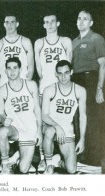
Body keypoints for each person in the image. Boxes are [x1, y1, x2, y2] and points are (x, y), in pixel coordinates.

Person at [34, 13, 72, 172]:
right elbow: (39, 70)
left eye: (52, 21)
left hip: (62, 89)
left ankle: (62, 156)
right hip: (45, 88)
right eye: (46, 22)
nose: (49, 24)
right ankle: (44, 159)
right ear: (43, 25)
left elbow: (68, 65)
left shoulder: (65, 41)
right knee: (43, 124)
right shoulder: (39, 43)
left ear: (58, 23)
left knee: (64, 120)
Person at [72, 10, 105, 170]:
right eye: (79, 18)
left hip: (91, 80)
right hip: (76, 80)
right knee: (78, 118)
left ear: (91, 23)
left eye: (85, 19)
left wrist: (99, 88)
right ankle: (82, 157)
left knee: (93, 120)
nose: (81, 21)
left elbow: (103, 65)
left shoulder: (96, 38)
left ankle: (95, 161)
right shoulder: (74, 41)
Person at [0, 57, 42, 174]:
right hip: (15, 128)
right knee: (2, 132)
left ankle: (17, 156)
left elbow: (37, 109)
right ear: (5, 71)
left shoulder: (31, 85)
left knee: (23, 169)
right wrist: (3, 120)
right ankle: (5, 164)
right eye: (9, 68)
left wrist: (39, 130)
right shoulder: (2, 90)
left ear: (20, 69)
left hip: (30, 129)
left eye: (15, 68)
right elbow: (0, 114)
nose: (12, 71)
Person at [42, 60, 86, 174]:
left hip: (66, 128)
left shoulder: (80, 90)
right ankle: (49, 164)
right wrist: (57, 126)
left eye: (66, 73)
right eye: (60, 73)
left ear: (71, 72)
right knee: (50, 131)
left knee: (71, 169)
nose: (63, 76)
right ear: (56, 74)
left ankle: (58, 162)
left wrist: (82, 139)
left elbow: (83, 117)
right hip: (50, 125)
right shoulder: (49, 90)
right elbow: (44, 116)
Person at [0, 14, 34, 87]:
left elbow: (31, 68)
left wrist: (26, 84)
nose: (9, 25)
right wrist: (2, 84)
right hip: (5, 82)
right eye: (7, 22)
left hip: (22, 80)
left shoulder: (25, 41)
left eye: (12, 22)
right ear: (4, 24)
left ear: (17, 24)